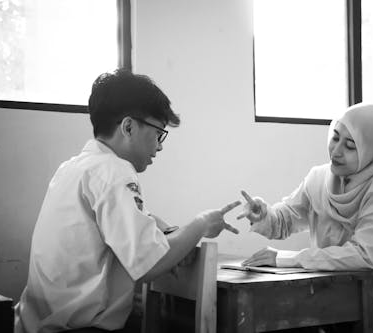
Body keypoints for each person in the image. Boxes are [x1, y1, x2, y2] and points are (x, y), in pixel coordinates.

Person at [14, 69, 241, 333]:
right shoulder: (114, 171)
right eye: (159, 133)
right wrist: (201, 224)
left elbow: (116, 224)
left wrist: (163, 229)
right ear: (129, 127)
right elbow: (150, 264)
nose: (160, 146)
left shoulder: (74, 168)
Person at [238, 103, 373, 333]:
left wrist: (286, 259)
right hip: (331, 304)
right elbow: (286, 220)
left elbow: (364, 256)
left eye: (350, 146)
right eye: (334, 137)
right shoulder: (320, 178)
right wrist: (265, 215)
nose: (336, 151)